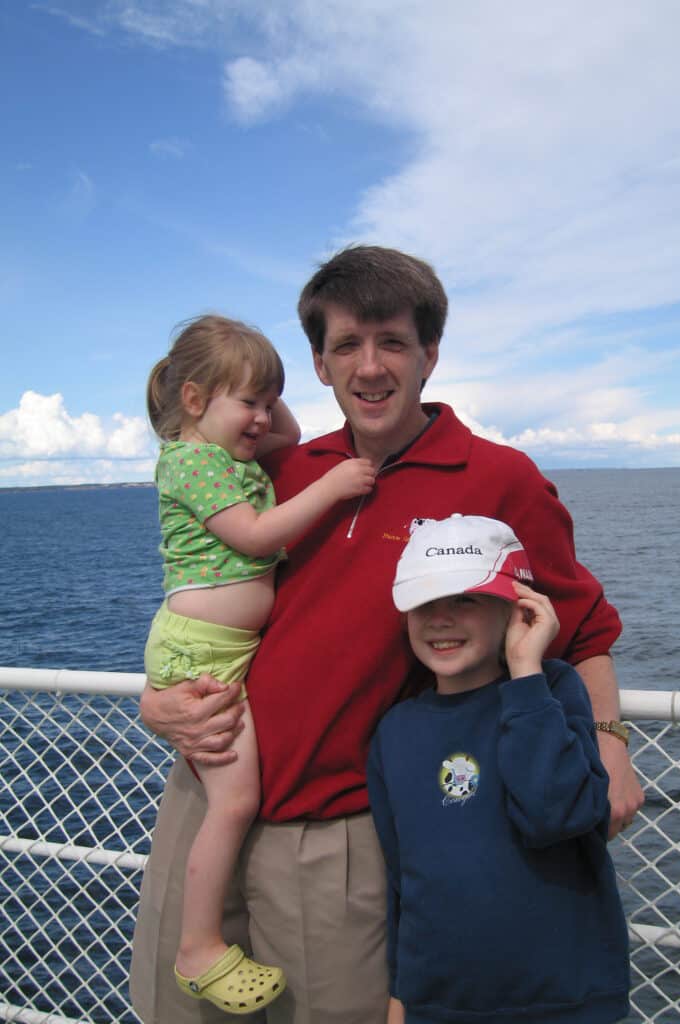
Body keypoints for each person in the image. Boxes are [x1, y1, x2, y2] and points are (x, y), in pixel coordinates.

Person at [131, 246, 643, 1024]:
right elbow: (203, 593)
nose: (369, 368)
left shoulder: (497, 476)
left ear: (430, 353)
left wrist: (609, 743)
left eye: (392, 342)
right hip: (209, 794)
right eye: (345, 346)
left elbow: (580, 624)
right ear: (319, 363)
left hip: (335, 832)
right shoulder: (286, 471)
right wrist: (156, 702)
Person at [143, 315, 375, 1014]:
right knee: (236, 799)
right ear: (193, 399)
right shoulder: (189, 461)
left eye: (267, 401)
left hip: (224, 655)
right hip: (201, 656)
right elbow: (253, 534)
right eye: (248, 403)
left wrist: (256, 388)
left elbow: (293, 434)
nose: (263, 418)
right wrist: (332, 489)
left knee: (234, 798)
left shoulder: (231, 453)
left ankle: (201, 940)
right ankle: (199, 947)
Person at [367, 514, 630, 1024]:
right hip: (438, 1002)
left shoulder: (551, 692)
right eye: (424, 603)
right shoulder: (394, 732)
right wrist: (402, 995)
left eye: (464, 599)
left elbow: (555, 814)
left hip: (566, 999)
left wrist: (526, 673)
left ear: (517, 607)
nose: (440, 619)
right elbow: (403, 878)